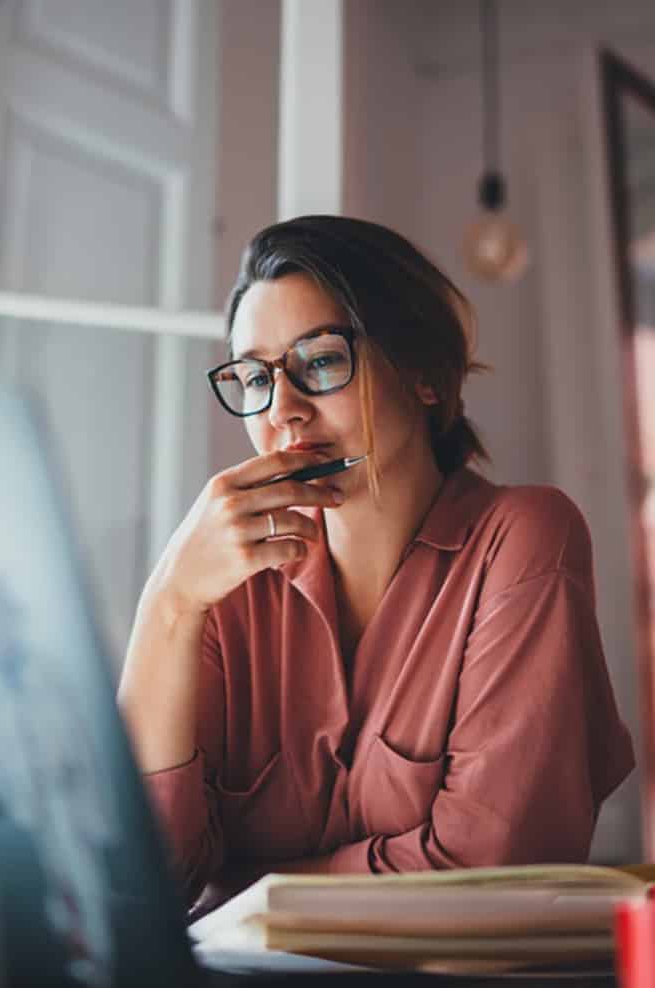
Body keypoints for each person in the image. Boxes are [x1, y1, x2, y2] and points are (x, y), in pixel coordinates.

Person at [117, 215, 634, 915]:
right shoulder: (221, 587)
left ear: (423, 372)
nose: (285, 413)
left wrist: (242, 893)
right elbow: (141, 883)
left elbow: (493, 872)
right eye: (254, 377)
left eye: (322, 361)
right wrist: (169, 604)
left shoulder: (523, 539)